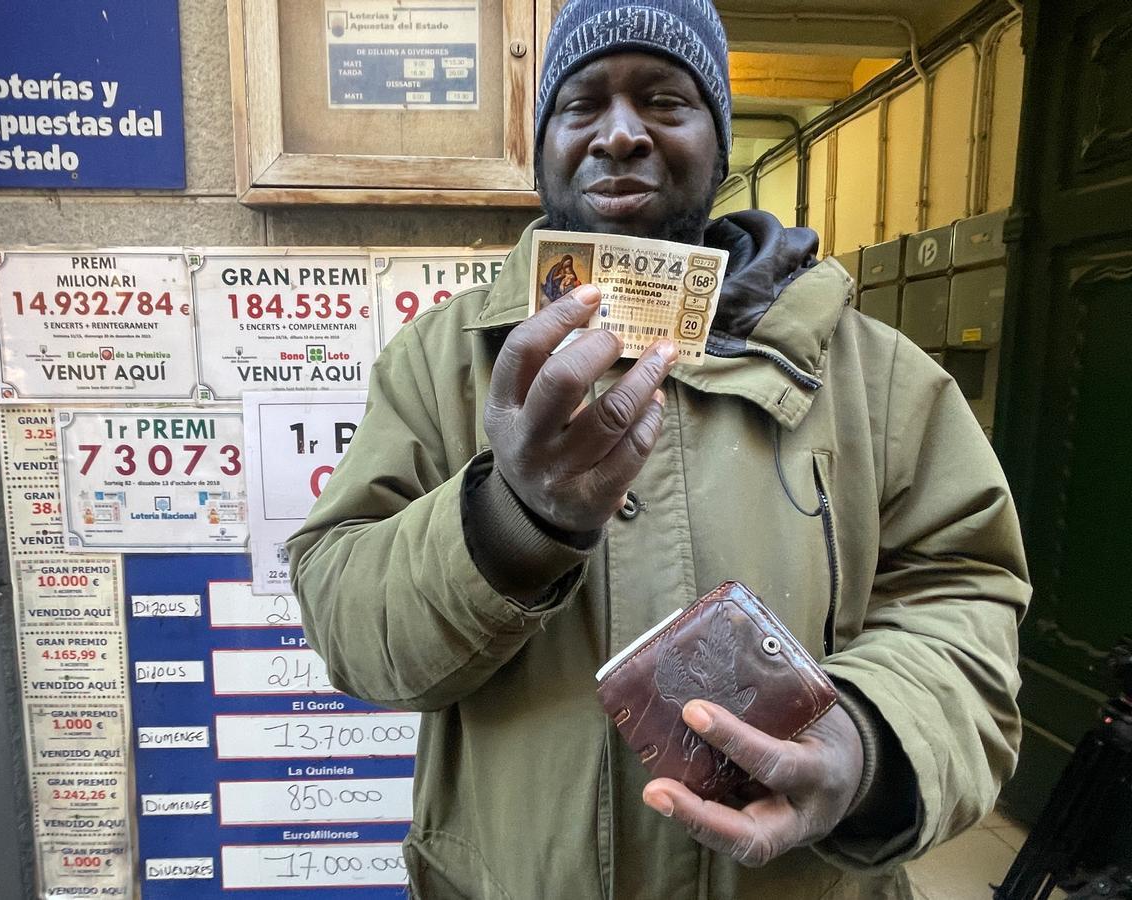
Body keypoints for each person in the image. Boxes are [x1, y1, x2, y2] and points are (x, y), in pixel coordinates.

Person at [288, 0, 1032, 895]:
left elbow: (964, 602)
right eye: (583, 104)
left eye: (666, 100)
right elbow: (345, 621)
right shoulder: (438, 364)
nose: (622, 135)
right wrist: (507, 525)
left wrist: (869, 739)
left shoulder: (874, 378)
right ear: (544, 146)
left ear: (719, 145)